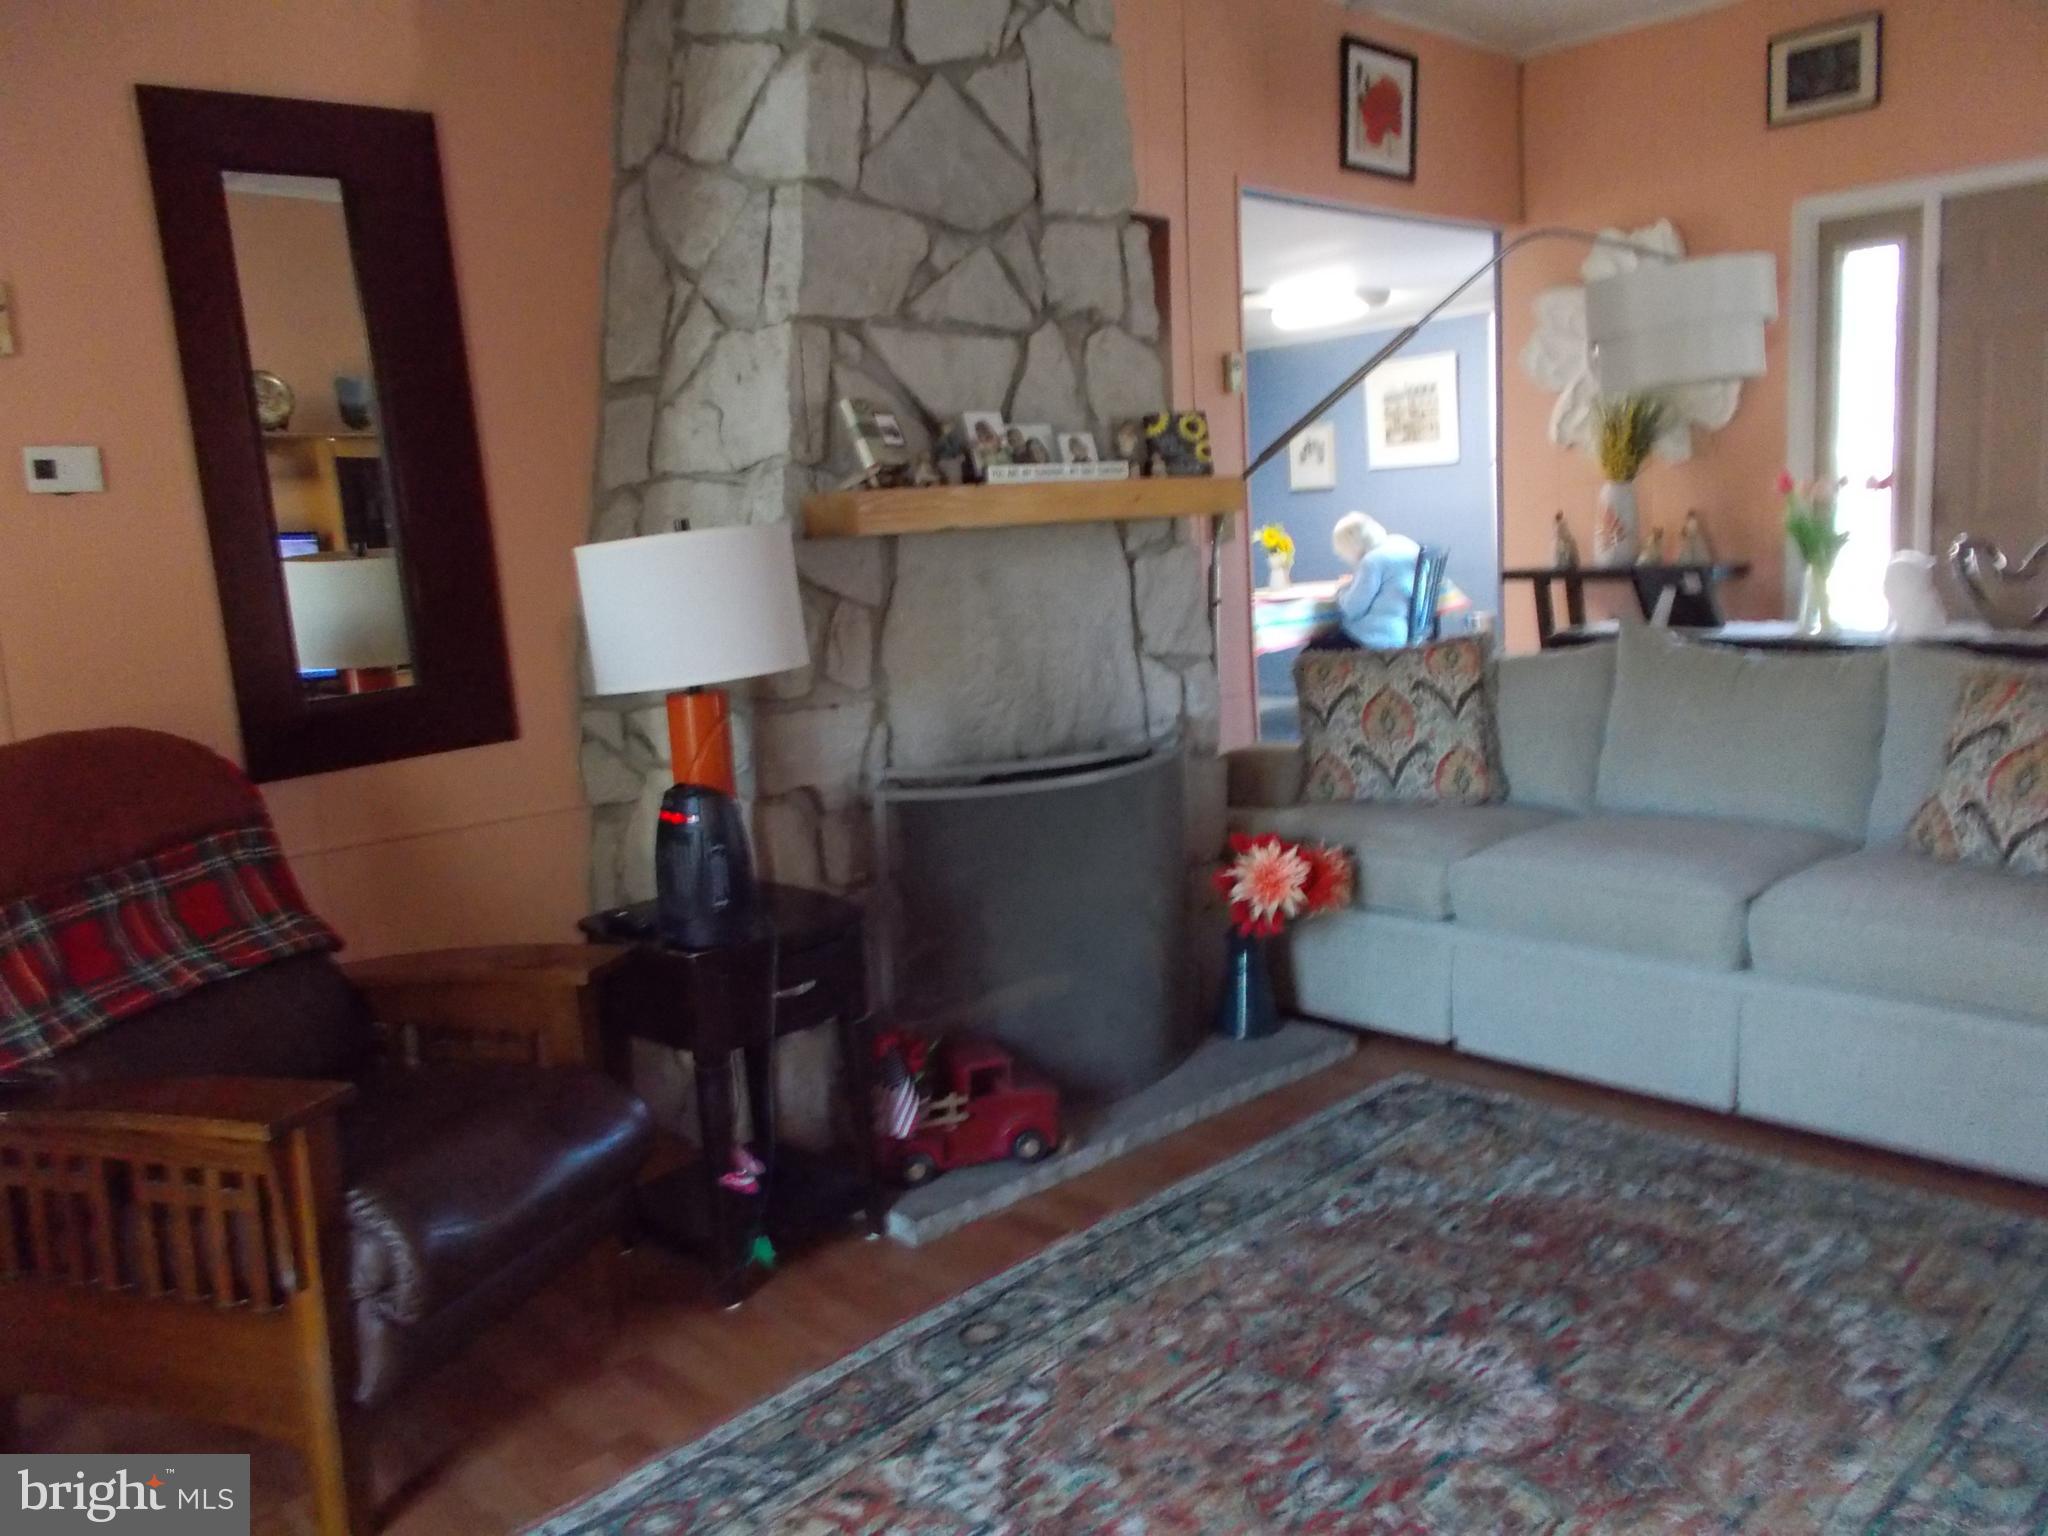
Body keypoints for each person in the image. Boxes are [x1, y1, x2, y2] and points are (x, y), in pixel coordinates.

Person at [1332, 512, 1421, 649]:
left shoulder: (1372, 561)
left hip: (1376, 637)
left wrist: (1341, 590)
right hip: (1408, 630)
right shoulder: (1404, 543)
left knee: (1313, 649)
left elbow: (1353, 609)